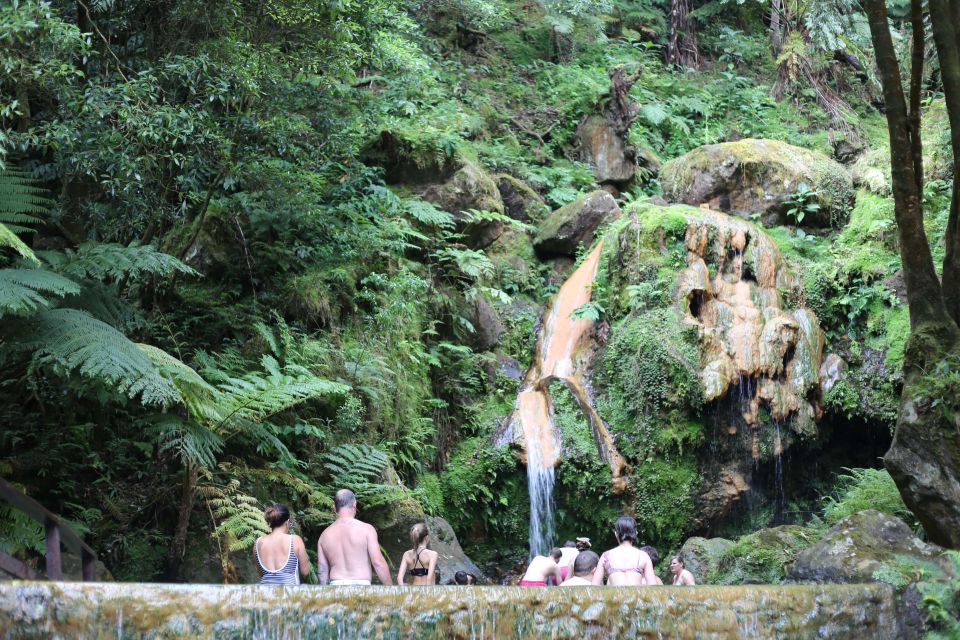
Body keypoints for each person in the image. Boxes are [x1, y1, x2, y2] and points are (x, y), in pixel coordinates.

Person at [317, 488, 393, 585]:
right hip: (362, 587)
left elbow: (322, 571)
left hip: (335, 587)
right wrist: (392, 590)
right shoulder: (367, 529)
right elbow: (378, 563)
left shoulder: (324, 536)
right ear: (354, 504)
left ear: (334, 508)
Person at [253, 504, 310, 585]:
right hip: (288, 594)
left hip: (264, 594)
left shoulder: (258, 543)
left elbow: (261, 574)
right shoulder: (294, 540)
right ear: (287, 522)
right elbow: (305, 572)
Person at [592, 516, 656, 586]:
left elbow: (594, 587)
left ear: (616, 534)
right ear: (636, 533)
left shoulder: (605, 556)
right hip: (636, 597)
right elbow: (653, 587)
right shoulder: (644, 556)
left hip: (615, 596)